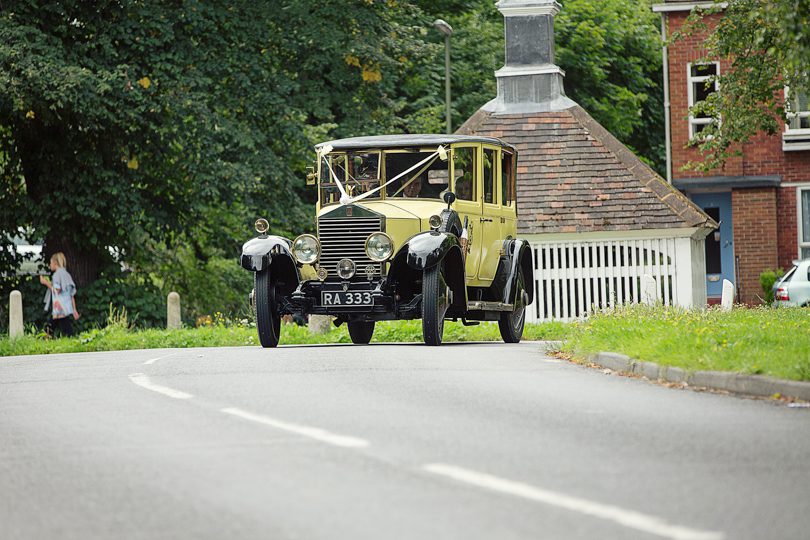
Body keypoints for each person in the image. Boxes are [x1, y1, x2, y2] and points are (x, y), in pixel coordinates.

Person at [39, 252, 80, 337]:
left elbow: (56, 291)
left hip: (60, 306)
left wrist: (46, 282)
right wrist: (74, 309)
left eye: (51, 263)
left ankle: (45, 339)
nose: (50, 265)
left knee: (62, 325)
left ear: (55, 263)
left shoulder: (57, 275)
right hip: (66, 306)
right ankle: (45, 338)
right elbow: (71, 294)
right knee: (56, 322)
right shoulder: (66, 274)